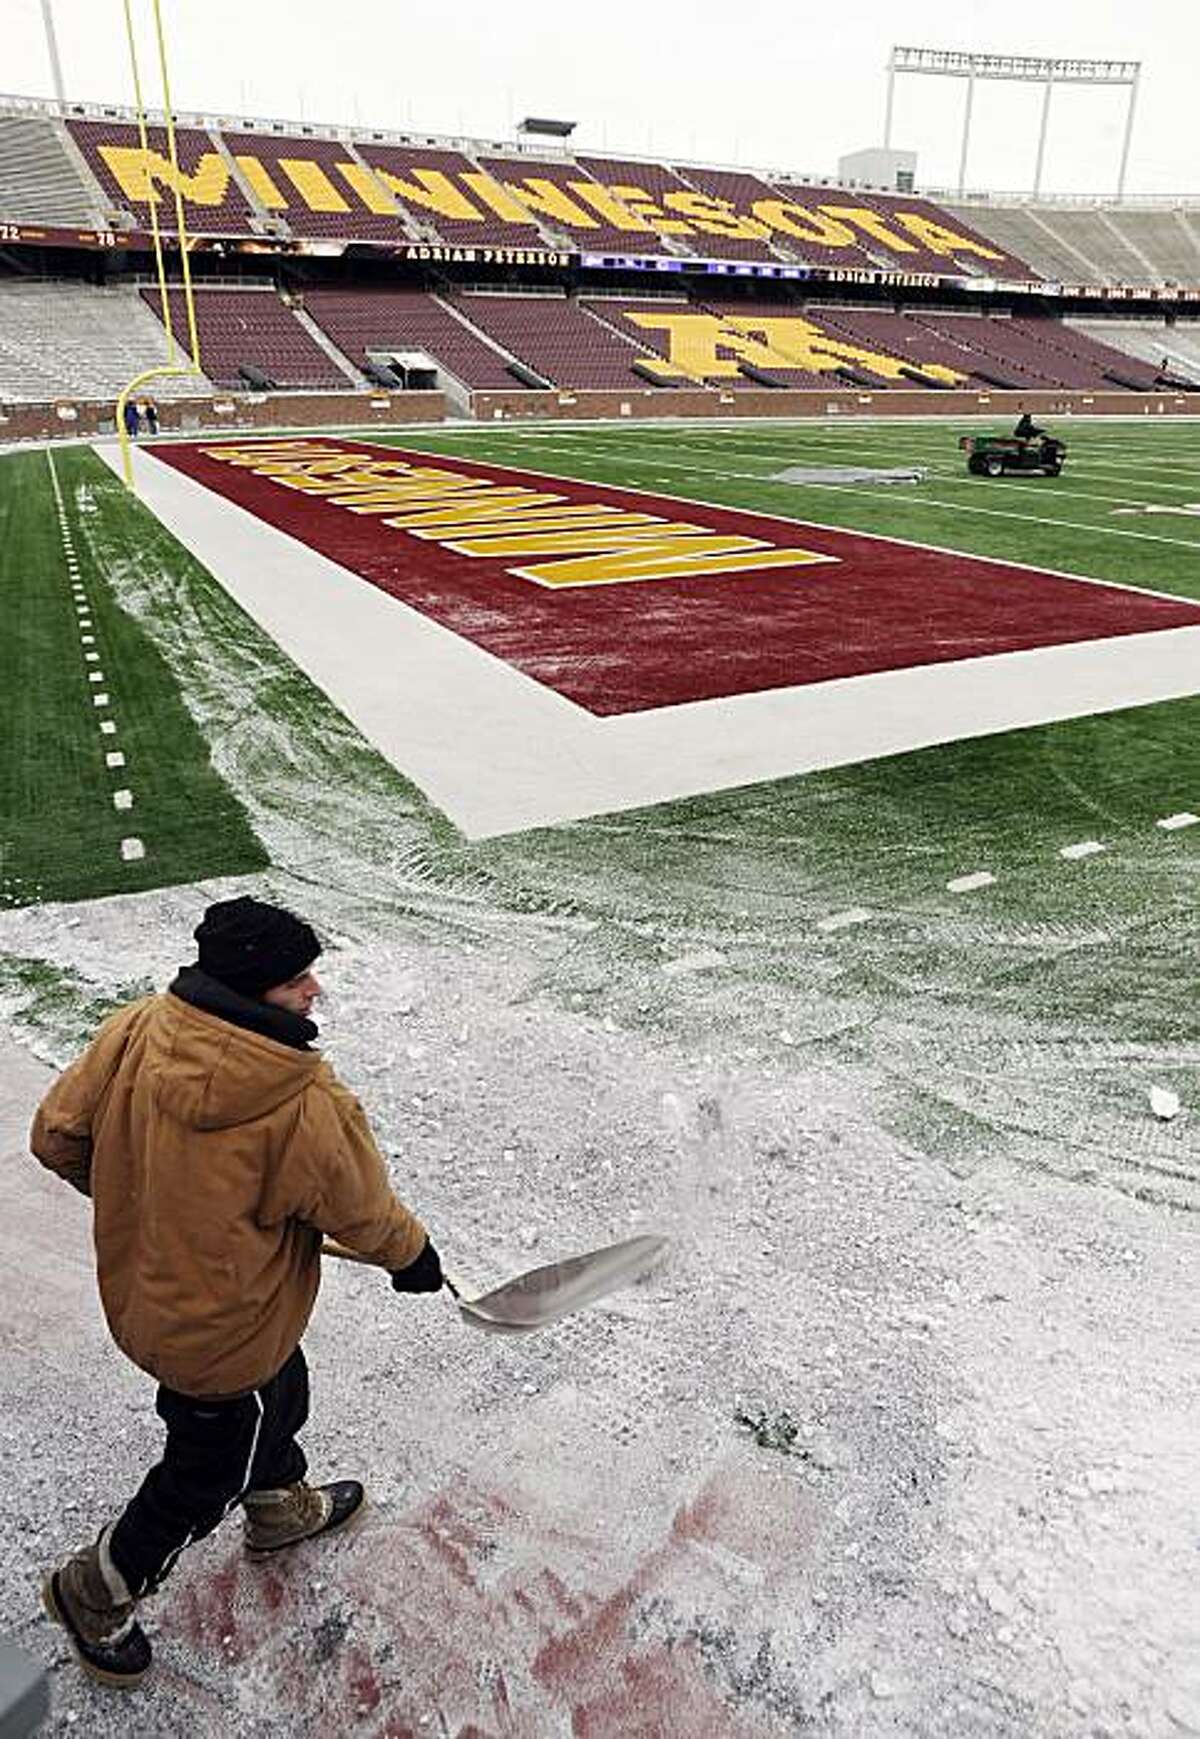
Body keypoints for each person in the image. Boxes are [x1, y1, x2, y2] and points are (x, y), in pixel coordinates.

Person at [30, 896, 442, 1688]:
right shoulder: (301, 1102)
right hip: (223, 1333)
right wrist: (414, 1257)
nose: (314, 990)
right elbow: (362, 1211)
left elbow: (56, 1135)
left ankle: (279, 1502)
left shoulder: (139, 1027)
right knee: (205, 1471)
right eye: (297, 980)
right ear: (254, 989)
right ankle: (95, 1592)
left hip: (149, 1299)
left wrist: (143, 1207)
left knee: (282, 1385)